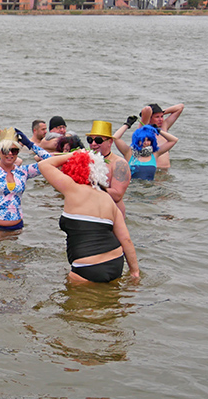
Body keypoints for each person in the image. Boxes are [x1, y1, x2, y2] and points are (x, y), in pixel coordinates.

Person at [38, 150, 140, 283]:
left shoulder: (72, 188)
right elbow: (126, 240)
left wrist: (76, 154)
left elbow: (44, 165)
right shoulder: (108, 199)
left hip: (87, 265)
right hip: (116, 262)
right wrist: (134, 272)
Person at [0, 116, 50, 231]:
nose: (10, 154)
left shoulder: (23, 172)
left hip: (17, 227)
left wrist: (30, 145)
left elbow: (49, 162)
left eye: (14, 151)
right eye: (6, 150)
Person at [86, 121, 130, 215]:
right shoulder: (86, 159)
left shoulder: (119, 163)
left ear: (110, 142)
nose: (93, 144)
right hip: (91, 211)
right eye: (90, 140)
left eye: (98, 140)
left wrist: (91, 187)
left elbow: (117, 195)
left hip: (112, 214)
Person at [112, 122, 178, 180]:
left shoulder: (155, 153)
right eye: (143, 140)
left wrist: (158, 130)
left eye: (148, 140)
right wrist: (127, 124)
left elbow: (174, 140)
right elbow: (115, 138)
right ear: (137, 141)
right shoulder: (129, 152)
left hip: (150, 189)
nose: (146, 143)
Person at [139, 103, 184, 169]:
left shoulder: (163, 128)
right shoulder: (143, 131)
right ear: (149, 118)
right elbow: (146, 110)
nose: (160, 120)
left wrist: (161, 112)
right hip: (153, 170)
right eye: (157, 117)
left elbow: (180, 107)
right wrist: (148, 115)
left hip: (165, 171)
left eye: (162, 116)